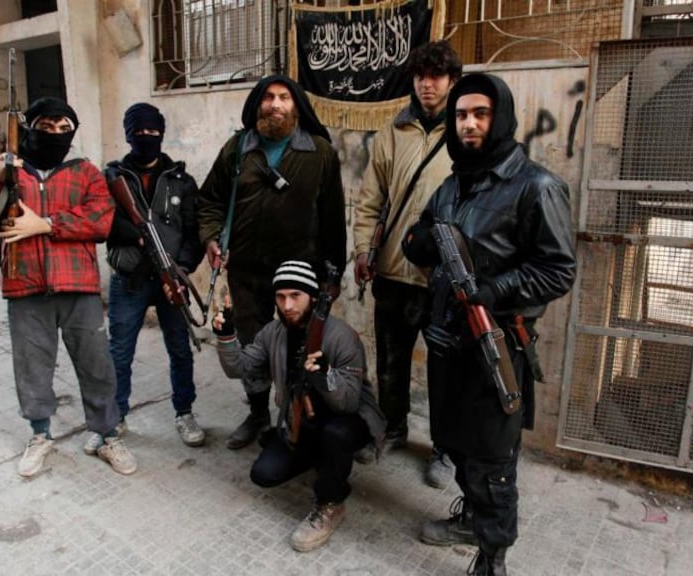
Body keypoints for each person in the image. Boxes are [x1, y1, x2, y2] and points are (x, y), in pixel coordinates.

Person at [402, 74, 576, 575]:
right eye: (461, 115)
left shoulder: (537, 186)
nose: (469, 123)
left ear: (499, 117)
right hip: (447, 345)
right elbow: (424, 233)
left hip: (494, 346)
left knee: (493, 461)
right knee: (454, 443)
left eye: (479, 113)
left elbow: (558, 270)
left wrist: (496, 291)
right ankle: (471, 517)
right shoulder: (453, 183)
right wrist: (421, 245)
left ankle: (492, 556)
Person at [0, 97, 137, 478]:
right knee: (32, 365)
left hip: (79, 285)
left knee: (96, 365)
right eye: (47, 127)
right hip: (25, 285)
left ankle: (107, 434)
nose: (56, 134)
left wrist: (47, 224)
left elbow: (101, 220)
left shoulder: (85, 171)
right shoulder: (12, 171)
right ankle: (40, 434)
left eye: (64, 128)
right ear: (30, 128)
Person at [197, 75, 347, 450]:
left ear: (296, 106)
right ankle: (258, 413)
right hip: (246, 273)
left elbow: (332, 217)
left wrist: (334, 272)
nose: (275, 105)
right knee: (252, 346)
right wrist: (213, 238)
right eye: (268, 98)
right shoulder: (238, 148)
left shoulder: (320, 153)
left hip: (300, 277)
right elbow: (210, 201)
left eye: (284, 97)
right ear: (257, 104)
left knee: (301, 347)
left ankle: (301, 418)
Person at [211, 260, 385, 552]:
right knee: (264, 474)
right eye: (280, 296)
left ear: (313, 297)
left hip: (348, 418)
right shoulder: (272, 332)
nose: (287, 305)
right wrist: (226, 334)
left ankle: (332, 501)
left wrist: (325, 374)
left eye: (295, 296)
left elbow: (349, 401)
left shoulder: (342, 337)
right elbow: (238, 368)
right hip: (299, 419)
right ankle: (320, 458)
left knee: (336, 435)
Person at [352, 40, 462, 487]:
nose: (426, 84)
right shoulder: (392, 132)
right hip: (394, 272)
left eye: (435, 76)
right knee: (391, 364)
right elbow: (369, 200)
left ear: (452, 81)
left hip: (443, 280)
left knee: (445, 372)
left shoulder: (464, 131)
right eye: (419, 76)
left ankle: (445, 449)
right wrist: (363, 250)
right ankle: (393, 429)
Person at [90, 103, 205, 453]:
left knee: (180, 350)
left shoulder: (182, 181)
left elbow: (194, 230)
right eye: (140, 132)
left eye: (154, 132)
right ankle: (115, 417)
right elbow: (99, 221)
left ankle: (184, 413)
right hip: (130, 279)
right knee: (119, 351)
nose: (147, 137)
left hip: (172, 278)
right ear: (128, 135)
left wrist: (181, 269)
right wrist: (135, 234)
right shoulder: (112, 178)